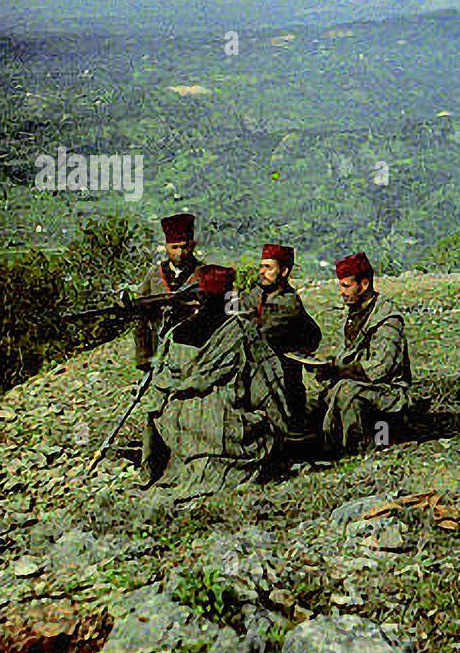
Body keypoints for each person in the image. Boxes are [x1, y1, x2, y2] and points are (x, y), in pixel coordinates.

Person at [140, 265, 294, 501]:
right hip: (222, 430)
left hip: (180, 431)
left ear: (199, 296)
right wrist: (282, 428)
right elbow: (266, 389)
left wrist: (152, 457)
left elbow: (155, 396)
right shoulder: (241, 332)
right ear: (229, 296)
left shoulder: (174, 334)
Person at [307, 251, 412, 454]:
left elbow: (383, 367)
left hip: (388, 394)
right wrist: (326, 367)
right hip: (359, 384)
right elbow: (343, 355)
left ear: (364, 285)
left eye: (346, 286)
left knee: (346, 391)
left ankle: (358, 448)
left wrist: (340, 371)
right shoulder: (352, 315)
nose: (342, 292)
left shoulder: (387, 319)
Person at [243, 243, 322, 420]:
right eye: (261, 267)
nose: (262, 272)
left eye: (268, 268)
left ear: (284, 272)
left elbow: (260, 332)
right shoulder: (256, 294)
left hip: (283, 379)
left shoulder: (289, 302)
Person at [133, 212, 202, 371]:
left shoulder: (203, 273)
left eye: (184, 247)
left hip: (193, 350)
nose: (179, 253)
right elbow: (140, 316)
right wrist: (143, 357)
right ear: (166, 247)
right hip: (160, 349)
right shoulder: (155, 274)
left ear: (192, 245)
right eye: (174, 247)